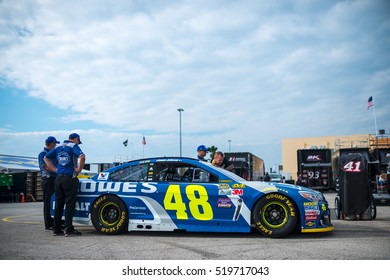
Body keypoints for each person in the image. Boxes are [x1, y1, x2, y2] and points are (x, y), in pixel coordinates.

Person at [44, 133, 85, 237]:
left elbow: (46, 158)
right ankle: (69, 229)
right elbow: (82, 156)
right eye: (78, 141)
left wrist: (55, 169)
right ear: (76, 139)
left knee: (59, 203)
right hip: (69, 178)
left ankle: (56, 229)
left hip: (58, 178)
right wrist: (79, 169)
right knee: (70, 203)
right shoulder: (73, 146)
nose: (78, 143)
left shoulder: (58, 146)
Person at [38, 136, 60, 230]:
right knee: (48, 202)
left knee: (55, 201)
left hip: (54, 178)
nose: (55, 146)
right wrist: (57, 170)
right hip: (48, 179)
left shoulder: (53, 154)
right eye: (55, 144)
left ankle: (56, 221)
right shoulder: (43, 154)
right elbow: (44, 167)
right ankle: (48, 224)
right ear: (51, 144)